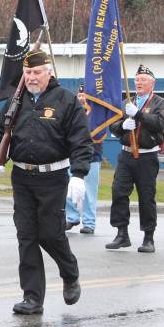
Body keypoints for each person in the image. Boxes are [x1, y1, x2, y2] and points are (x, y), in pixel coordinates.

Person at [0, 50, 91, 315]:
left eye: (37, 72)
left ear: (49, 72)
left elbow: (81, 140)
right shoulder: (16, 99)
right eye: (28, 72)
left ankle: (70, 272)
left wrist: (78, 175)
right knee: (26, 235)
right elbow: (1, 129)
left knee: (50, 233)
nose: (32, 77)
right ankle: (32, 297)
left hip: (53, 178)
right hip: (22, 177)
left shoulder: (66, 101)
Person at [106, 64, 164, 253]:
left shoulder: (159, 103)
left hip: (147, 157)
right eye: (137, 80)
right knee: (119, 192)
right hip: (126, 154)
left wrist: (139, 115)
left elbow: (160, 124)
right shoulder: (127, 103)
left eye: (143, 80)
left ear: (152, 83)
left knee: (146, 197)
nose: (139, 83)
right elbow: (112, 126)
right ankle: (121, 233)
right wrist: (123, 125)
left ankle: (148, 237)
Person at [65, 86, 101, 235]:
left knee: (89, 191)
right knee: (69, 188)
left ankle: (89, 222)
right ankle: (72, 217)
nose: (81, 97)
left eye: (84, 95)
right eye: (79, 94)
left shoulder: (98, 115)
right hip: (72, 154)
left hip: (92, 155)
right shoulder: (73, 112)